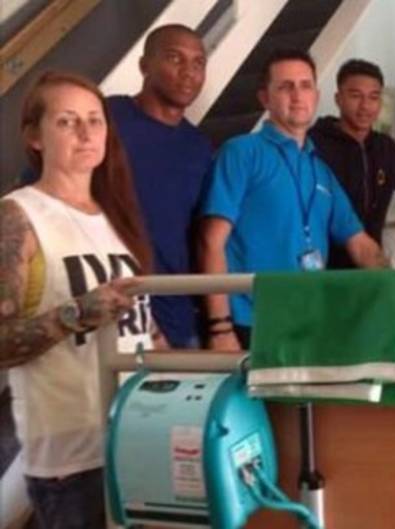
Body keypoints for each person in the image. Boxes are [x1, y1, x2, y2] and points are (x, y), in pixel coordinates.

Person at [0, 71, 154, 528]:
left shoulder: (113, 216)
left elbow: (138, 323)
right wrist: (76, 314)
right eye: (67, 121)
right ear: (35, 137)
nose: (86, 133)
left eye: (95, 120)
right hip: (71, 459)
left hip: (137, 434)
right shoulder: (18, 216)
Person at [199, 49, 386, 351]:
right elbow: (211, 242)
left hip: (311, 321)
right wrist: (219, 327)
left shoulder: (320, 169)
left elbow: (361, 245)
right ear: (265, 98)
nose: (298, 96)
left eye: (305, 86)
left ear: (317, 95)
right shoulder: (241, 152)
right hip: (253, 322)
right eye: (286, 87)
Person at [108, 24, 212, 348]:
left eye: (198, 63)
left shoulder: (199, 146)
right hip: (115, 309)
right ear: (144, 66)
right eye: (175, 58)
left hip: (178, 316)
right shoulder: (107, 119)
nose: (189, 72)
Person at [309, 59, 395, 269]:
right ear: (338, 99)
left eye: (373, 97)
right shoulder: (313, 145)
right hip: (321, 267)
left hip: (369, 264)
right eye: (355, 96)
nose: (365, 106)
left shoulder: (386, 150)